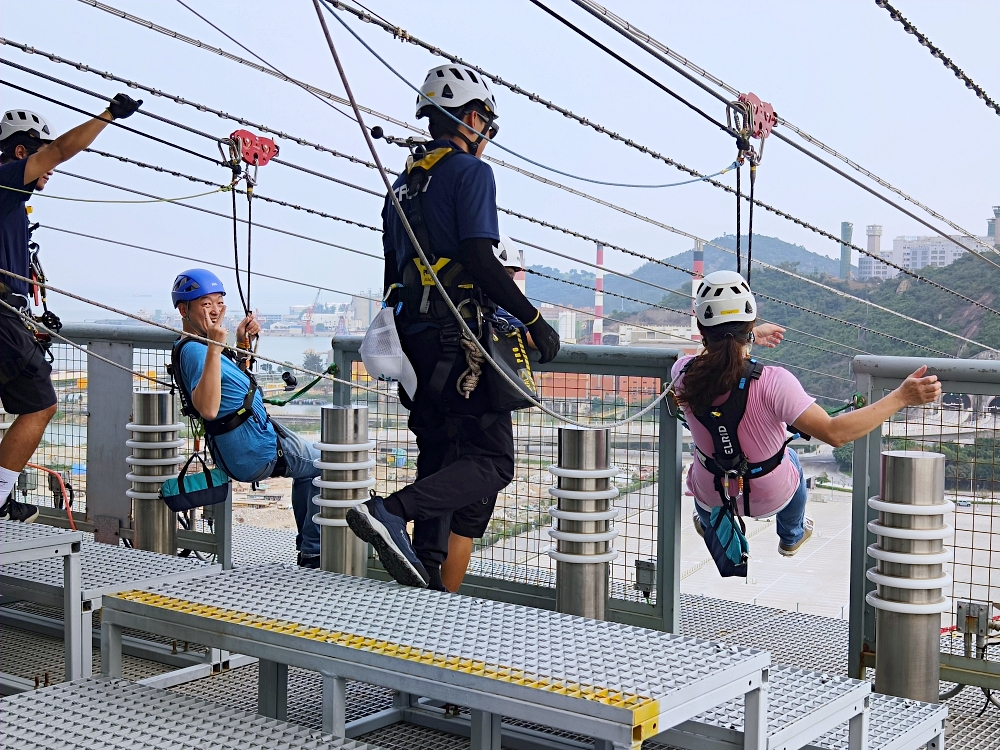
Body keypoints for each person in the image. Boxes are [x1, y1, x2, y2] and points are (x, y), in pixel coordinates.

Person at [347, 65, 560, 591]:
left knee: (440, 454)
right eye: (486, 124)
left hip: (415, 342)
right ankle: (390, 511)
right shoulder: (471, 174)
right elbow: (479, 259)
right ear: (470, 119)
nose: (486, 136)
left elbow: (393, 279)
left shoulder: (400, 190)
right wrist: (535, 321)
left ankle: (423, 575)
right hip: (457, 339)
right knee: (492, 461)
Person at [674, 270, 941, 559]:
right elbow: (834, 433)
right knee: (791, 458)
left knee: (700, 463)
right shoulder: (773, 381)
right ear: (750, 323)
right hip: (770, 496)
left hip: (714, 491)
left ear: (701, 329)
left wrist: (744, 337)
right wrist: (901, 397)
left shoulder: (683, 374)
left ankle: (707, 520)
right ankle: (791, 535)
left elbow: (705, 358)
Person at [0, 96, 142, 522]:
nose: (52, 167)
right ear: (22, 152)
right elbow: (60, 149)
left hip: (12, 311)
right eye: (40, 155)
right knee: (41, 404)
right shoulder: (5, 180)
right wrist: (108, 115)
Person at [170, 269, 322, 567]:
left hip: (255, 438)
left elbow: (226, 383)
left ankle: (310, 547)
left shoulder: (197, 345)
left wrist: (240, 345)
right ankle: (314, 552)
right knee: (327, 462)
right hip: (254, 449)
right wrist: (216, 346)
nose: (215, 311)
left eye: (218, 303)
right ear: (183, 309)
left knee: (313, 465)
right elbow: (209, 408)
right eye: (205, 304)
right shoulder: (195, 351)